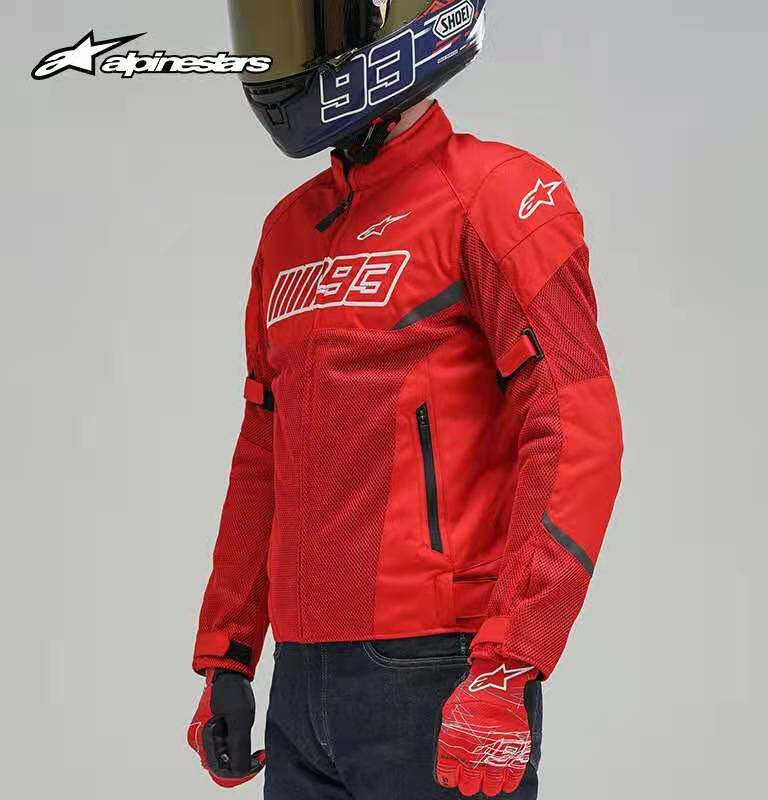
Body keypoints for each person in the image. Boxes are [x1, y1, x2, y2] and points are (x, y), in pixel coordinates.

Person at [187, 2, 623, 798]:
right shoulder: (288, 233)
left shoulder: (496, 196)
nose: (274, 55)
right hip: (300, 679)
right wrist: (229, 654)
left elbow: (575, 425)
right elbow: (262, 453)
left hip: (436, 671)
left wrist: (510, 660)